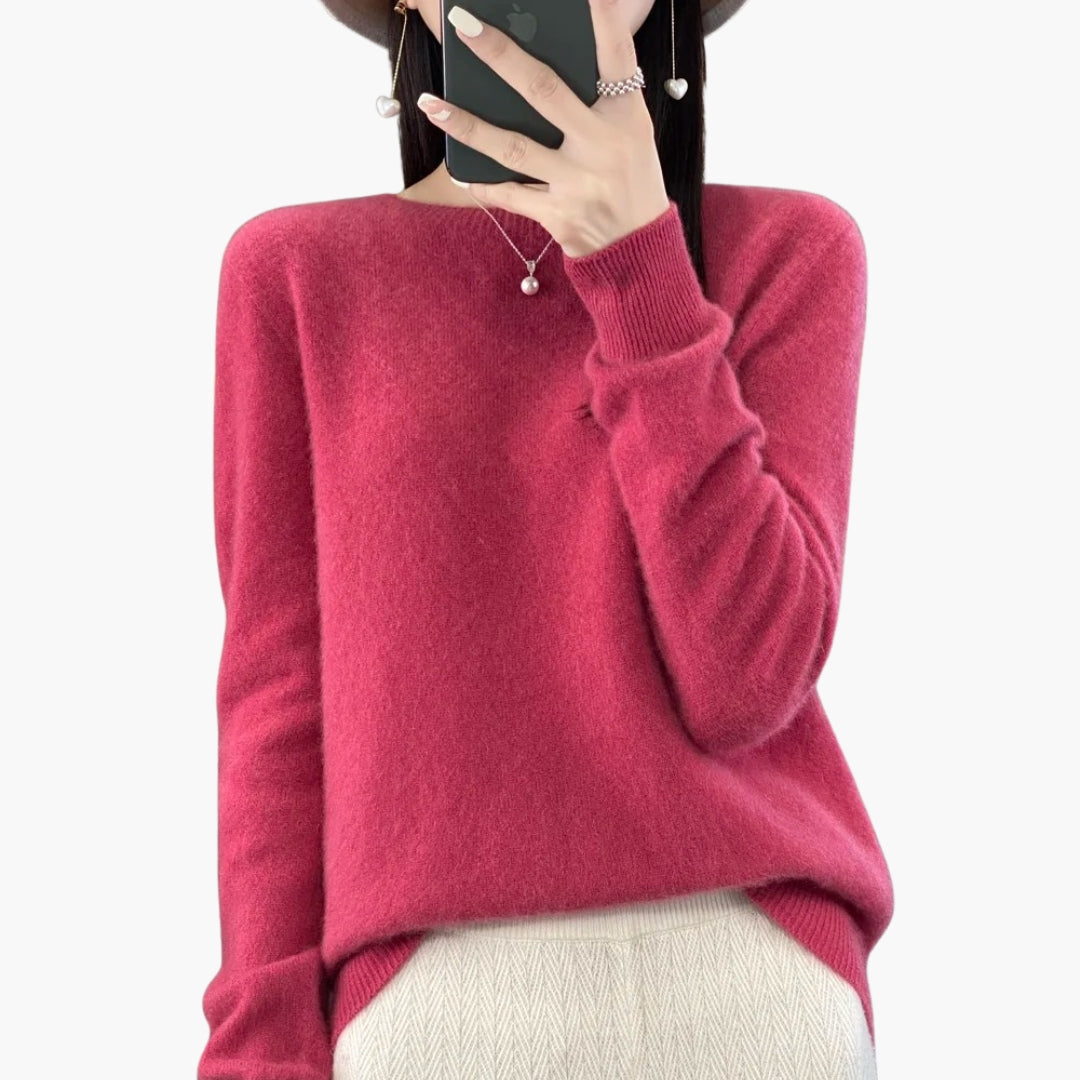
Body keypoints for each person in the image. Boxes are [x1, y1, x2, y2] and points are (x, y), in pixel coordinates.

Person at [197, 0, 895, 1077]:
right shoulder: (295, 272)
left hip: (755, 985)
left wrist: (638, 264)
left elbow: (747, 678)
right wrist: (261, 1048)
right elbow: (278, 699)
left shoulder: (792, 250)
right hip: (435, 1011)